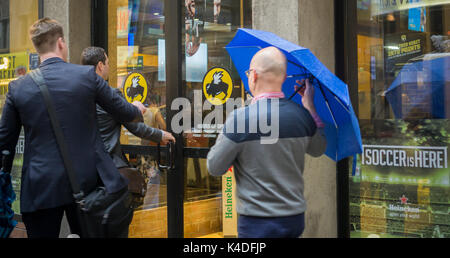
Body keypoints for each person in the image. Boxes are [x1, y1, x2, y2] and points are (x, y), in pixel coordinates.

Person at [0, 18, 146, 238]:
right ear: (61, 43)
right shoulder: (86, 76)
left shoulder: (18, 87)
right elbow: (125, 113)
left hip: (40, 187)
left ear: (37, 47)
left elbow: (5, 143)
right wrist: (137, 108)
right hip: (87, 185)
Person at [207, 46, 327, 238]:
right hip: (294, 219)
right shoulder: (302, 116)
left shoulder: (241, 119)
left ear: (253, 75)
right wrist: (310, 108)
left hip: (256, 222)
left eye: (248, 73)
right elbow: (319, 148)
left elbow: (215, 166)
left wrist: (229, 127)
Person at [81, 47, 175, 214]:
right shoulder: (109, 94)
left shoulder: (77, 94)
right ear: (101, 66)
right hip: (108, 170)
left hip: (82, 170)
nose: (109, 67)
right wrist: (160, 134)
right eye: (108, 63)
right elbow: (135, 126)